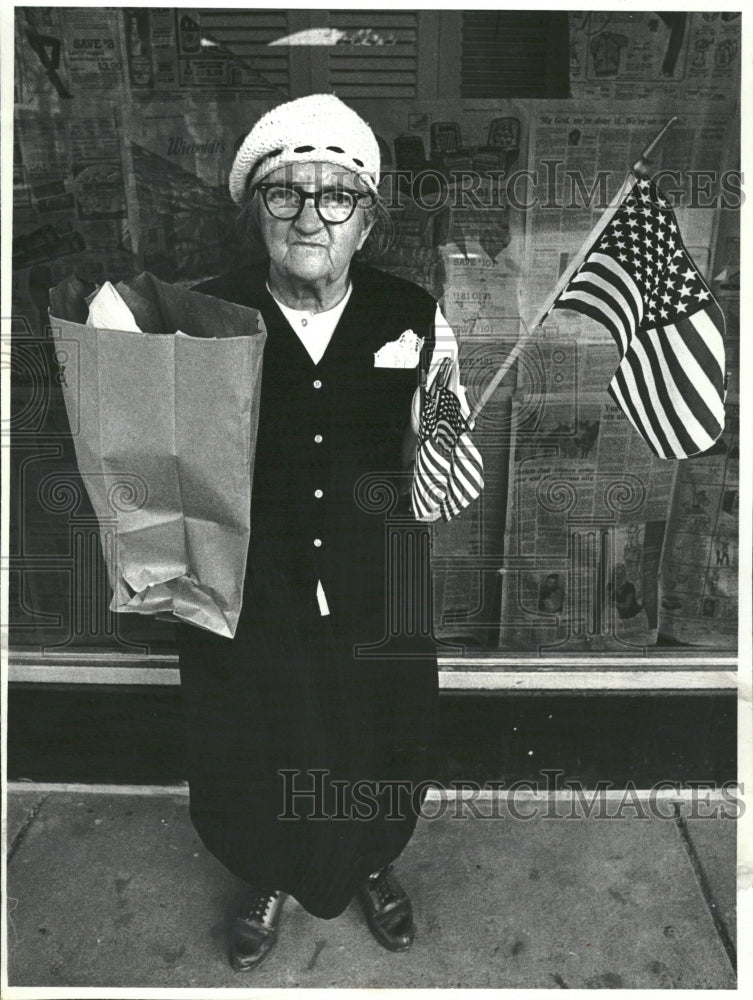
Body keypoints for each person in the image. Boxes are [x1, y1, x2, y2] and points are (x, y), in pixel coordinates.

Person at [176, 93, 467, 972]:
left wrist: (441, 438)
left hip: (377, 577)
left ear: (365, 220)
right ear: (255, 212)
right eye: (285, 194)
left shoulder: (413, 315)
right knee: (249, 729)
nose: (309, 218)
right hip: (246, 582)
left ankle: (372, 859)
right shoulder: (200, 315)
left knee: (382, 727)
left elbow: (447, 437)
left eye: (334, 197)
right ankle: (265, 872)